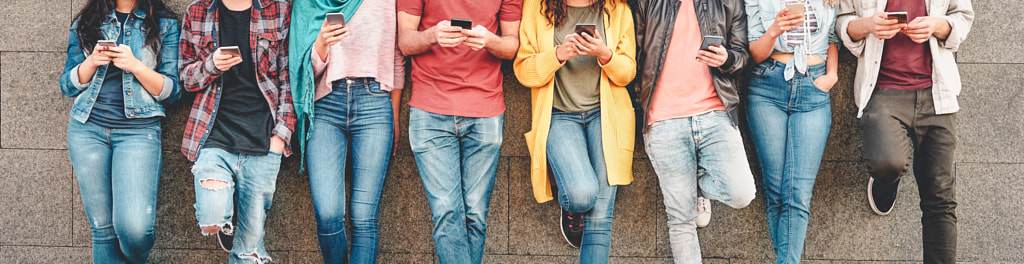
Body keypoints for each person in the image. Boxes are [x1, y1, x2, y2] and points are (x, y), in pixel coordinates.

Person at [837, 0, 973, 263]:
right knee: (887, 163)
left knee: (940, 196)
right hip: (883, 90)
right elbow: (842, 22)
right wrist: (868, 25)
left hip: (938, 93)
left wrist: (938, 25)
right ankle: (886, 180)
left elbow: (963, 17)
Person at [630, 0, 756, 262]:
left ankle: (696, 186)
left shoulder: (728, 2)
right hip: (664, 118)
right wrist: (642, 103)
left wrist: (727, 58)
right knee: (681, 219)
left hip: (714, 112)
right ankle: (690, 192)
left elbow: (742, 56)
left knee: (742, 192)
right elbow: (636, 55)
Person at [396, 0, 522, 262]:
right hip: (430, 108)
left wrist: (489, 40)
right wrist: (432, 35)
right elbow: (405, 41)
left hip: (485, 108)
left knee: (475, 215)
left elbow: (511, 46)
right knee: (446, 212)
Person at [514, 0, 635, 262]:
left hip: (605, 114)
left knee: (601, 215)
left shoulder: (617, 9)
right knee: (581, 195)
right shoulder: (537, 7)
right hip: (559, 114)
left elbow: (627, 73)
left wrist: (605, 54)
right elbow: (523, 71)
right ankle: (572, 208)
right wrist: (558, 54)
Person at [58, 0, 179, 262]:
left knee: (135, 230)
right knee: (103, 231)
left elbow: (173, 91)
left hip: (139, 132)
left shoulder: (164, 23)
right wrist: (91, 62)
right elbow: (67, 86)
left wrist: (136, 65)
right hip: (87, 130)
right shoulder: (87, 21)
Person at [178, 0, 294, 262]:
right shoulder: (197, 11)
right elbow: (184, 78)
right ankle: (226, 219)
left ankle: (240, 233)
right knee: (211, 220)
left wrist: (281, 135)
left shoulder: (278, 10)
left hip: (263, 139)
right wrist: (212, 65)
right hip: (214, 135)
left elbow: (289, 79)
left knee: (249, 251)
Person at [289, 0, 404, 262]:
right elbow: (303, 70)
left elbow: (396, 56)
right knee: (328, 213)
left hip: (375, 101)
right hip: (326, 101)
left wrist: (394, 115)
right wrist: (322, 42)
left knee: (364, 217)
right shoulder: (310, 3)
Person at [744, 0, 838, 263]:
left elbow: (833, 38)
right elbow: (755, 51)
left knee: (798, 192)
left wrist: (832, 74)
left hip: (814, 88)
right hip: (767, 86)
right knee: (776, 191)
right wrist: (774, 30)